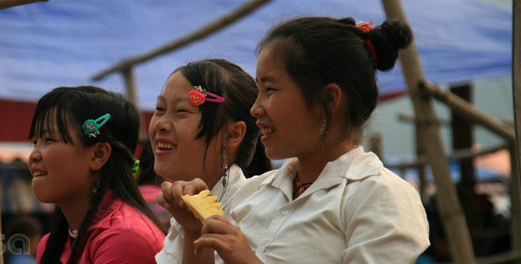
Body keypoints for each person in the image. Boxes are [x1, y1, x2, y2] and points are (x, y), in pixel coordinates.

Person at [159, 17, 430, 263]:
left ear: (329, 99)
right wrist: (193, 231)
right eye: (258, 90)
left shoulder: (379, 196)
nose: (255, 109)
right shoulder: (250, 194)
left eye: (270, 89)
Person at [151, 59, 271, 263]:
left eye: (181, 111)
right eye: (160, 109)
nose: (160, 124)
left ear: (232, 134)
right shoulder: (182, 216)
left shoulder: (258, 211)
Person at [28, 86, 165, 264]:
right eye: (35, 142)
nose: (34, 156)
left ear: (98, 154)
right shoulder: (51, 244)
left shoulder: (125, 238)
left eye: (49, 140)